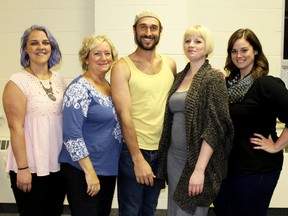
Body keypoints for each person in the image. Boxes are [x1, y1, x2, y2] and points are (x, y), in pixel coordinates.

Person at [156, 25, 234, 216]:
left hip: (197, 162)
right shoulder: (180, 77)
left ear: (207, 47)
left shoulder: (212, 79)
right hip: (174, 159)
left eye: (198, 41)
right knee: (175, 211)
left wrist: (199, 170)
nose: (191, 45)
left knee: (190, 211)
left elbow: (215, 128)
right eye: (187, 40)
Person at [213, 28, 288, 216]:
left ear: (255, 51)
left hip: (257, 170)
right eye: (234, 51)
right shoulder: (231, 86)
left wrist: (277, 145)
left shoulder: (266, 84)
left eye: (244, 50)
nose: (239, 55)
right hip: (229, 168)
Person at [110, 10, 176, 215]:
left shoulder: (170, 65)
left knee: (150, 208)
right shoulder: (122, 67)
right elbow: (124, 114)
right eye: (143, 27)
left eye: (153, 28)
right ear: (135, 31)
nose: (148, 32)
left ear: (160, 32)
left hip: (162, 150)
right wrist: (137, 158)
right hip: (134, 151)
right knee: (131, 210)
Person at [2, 25, 66, 216]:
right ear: (25, 49)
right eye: (34, 43)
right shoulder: (17, 82)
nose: (41, 47)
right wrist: (23, 168)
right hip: (29, 165)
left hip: (56, 164)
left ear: (52, 47)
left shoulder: (60, 79)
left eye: (46, 42)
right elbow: (16, 128)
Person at [58, 34, 122, 216]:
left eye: (107, 53)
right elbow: (71, 135)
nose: (104, 58)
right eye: (97, 54)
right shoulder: (79, 88)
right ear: (86, 58)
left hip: (107, 168)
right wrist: (90, 172)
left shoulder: (109, 86)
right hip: (83, 169)